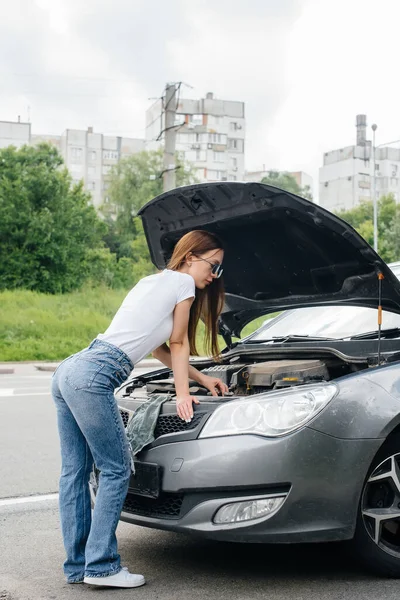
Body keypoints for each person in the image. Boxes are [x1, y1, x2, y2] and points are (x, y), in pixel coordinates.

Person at [51, 229, 228, 589]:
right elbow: (178, 342)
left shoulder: (152, 281)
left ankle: (78, 566)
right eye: (214, 266)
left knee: (74, 473)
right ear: (191, 256)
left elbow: (158, 349)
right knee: (116, 469)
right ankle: (101, 567)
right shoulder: (184, 285)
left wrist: (201, 379)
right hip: (95, 373)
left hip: (72, 368)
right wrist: (183, 394)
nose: (214, 276)